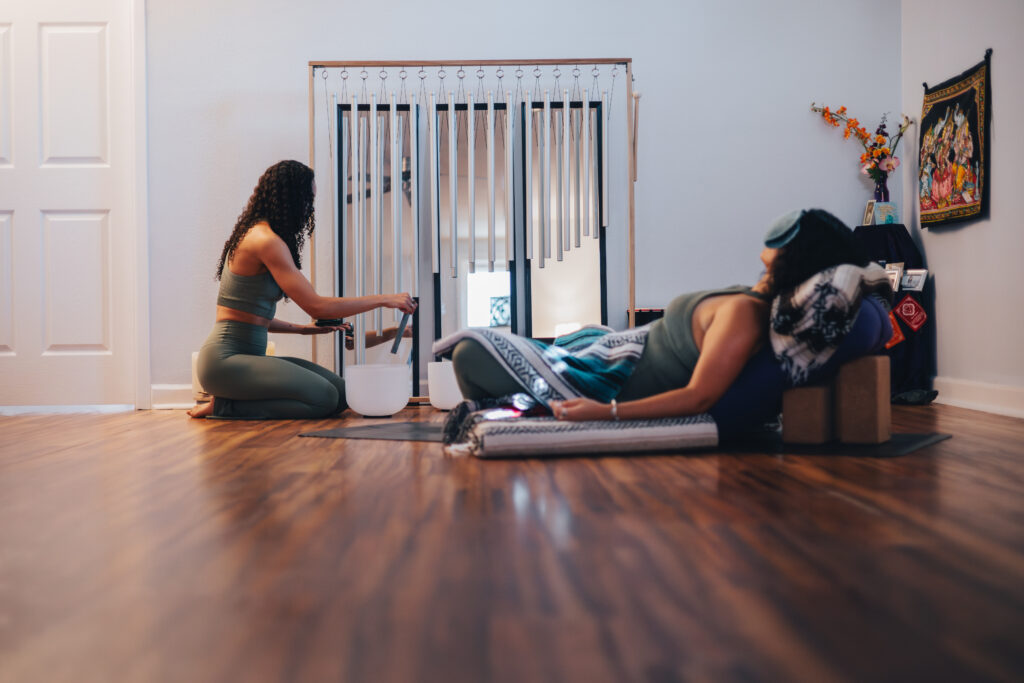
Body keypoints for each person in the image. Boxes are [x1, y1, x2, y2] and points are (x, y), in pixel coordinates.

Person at [445, 208, 871, 423]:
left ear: (796, 253)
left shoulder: (746, 314)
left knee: (469, 353)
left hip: (618, 382)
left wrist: (604, 413)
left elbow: (700, 397)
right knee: (482, 349)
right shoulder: (749, 297)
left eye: (787, 236)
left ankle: (525, 410)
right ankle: (523, 404)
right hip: (613, 353)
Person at [188, 160, 416, 419]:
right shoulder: (264, 241)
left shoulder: (260, 236)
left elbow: (253, 317)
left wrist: (306, 329)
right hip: (224, 362)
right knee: (326, 398)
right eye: (308, 199)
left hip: (246, 360)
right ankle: (225, 406)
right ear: (292, 198)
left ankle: (229, 401)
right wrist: (385, 299)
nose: (309, 208)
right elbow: (317, 306)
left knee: (342, 393)